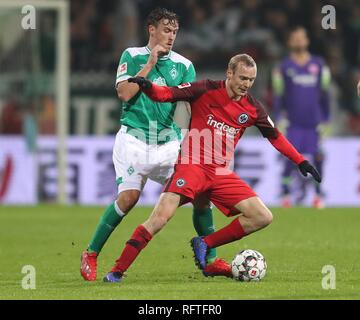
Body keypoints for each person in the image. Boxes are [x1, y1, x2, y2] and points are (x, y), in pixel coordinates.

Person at [102, 53, 321, 282]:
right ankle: (117, 270)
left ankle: (205, 242)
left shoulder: (253, 108)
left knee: (262, 216)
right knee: (160, 218)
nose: (246, 84)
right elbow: (168, 94)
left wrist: (301, 161)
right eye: (242, 78)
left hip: (220, 174)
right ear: (229, 73)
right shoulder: (205, 89)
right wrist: (148, 87)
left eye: (251, 80)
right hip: (192, 167)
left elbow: (275, 137)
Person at [80, 8, 229, 281]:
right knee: (128, 199)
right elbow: (125, 94)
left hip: (167, 143)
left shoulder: (184, 65)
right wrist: (149, 64)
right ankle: (91, 253)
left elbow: (186, 105)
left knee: (200, 193)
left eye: (174, 32)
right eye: (166, 30)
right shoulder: (132, 55)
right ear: (151, 29)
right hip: (134, 140)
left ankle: (211, 259)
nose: (171, 36)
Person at [272, 26, 331, 208]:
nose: (298, 41)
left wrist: (326, 119)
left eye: (301, 38)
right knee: (290, 158)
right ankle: (286, 193)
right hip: (293, 123)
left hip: (314, 123)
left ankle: (318, 194)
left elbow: (325, 93)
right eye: (294, 38)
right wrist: (278, 119)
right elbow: (278, 95)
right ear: (290, 42)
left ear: (307, 41)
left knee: (318, 157)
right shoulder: (283, 67)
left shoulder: (319, 65)